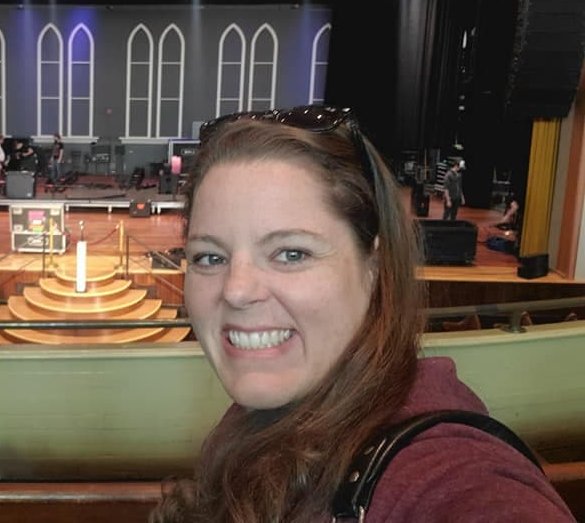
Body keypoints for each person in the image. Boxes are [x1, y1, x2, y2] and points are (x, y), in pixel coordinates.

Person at [151, 107, 572, 523]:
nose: (236, 290)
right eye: (209, 256)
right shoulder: (268, 413)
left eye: (291, 253)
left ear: (373, 267)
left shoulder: (451, 470)